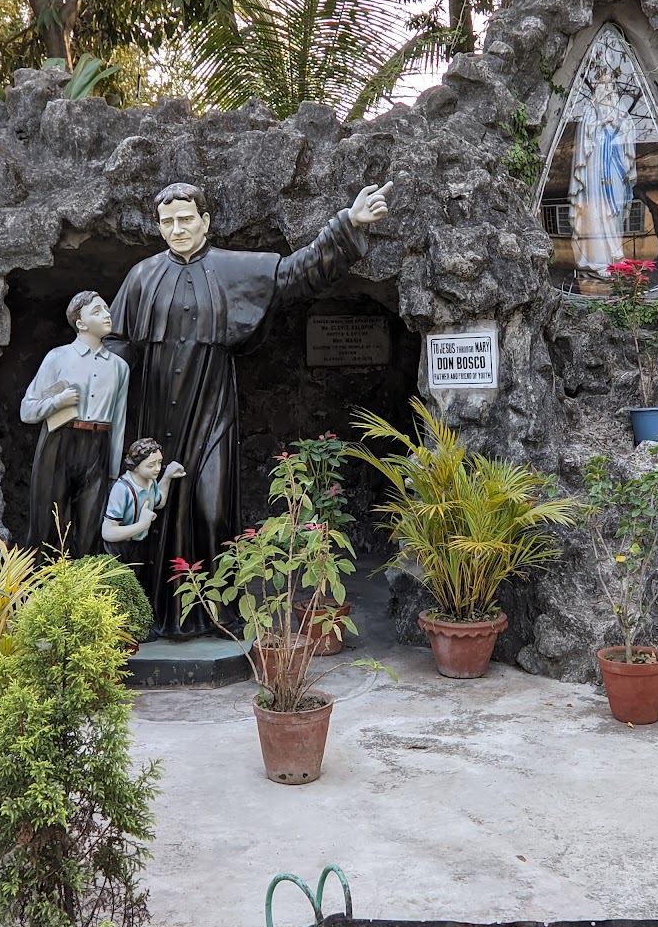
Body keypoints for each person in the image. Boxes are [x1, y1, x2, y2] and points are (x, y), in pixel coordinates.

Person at [108, 179, 392, 635]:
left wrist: (347, 224)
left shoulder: (233, 269)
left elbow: (294, 274)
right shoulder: (141, 277)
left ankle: (216, 615)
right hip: (156, 418)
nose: (177, 229)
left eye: (186, 219)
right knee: (149, 514)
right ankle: (157, 616)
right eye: (167, 222)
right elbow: (116, 347)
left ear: (205, 221)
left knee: (211, 507)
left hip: (211, 411)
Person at [19, 291, 128, 557]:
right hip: (59, 440)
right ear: (80, 322)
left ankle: (84, 591)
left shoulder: (119, 367)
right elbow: (27, 411)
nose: (107, 315)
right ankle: (40, 589)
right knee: (47, 522)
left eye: (107, 310)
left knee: (90, 525)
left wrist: (113, 473)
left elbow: (119, 421)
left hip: (98, 446)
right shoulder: (58, 357)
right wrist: (57, 401)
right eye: (97, 311)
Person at [102, 440, 187, 641]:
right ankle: (119, 631)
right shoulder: (122, 489)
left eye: (159, 463)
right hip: (119, 548)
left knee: (139, 584)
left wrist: (166, 477)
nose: (156, 468)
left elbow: (159, 502)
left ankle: (135, 628)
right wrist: (142, 525)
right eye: (151, 465)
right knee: (121, 589)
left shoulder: (148, 482)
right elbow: (108, 532)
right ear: (135, 464)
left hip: (138, 545)